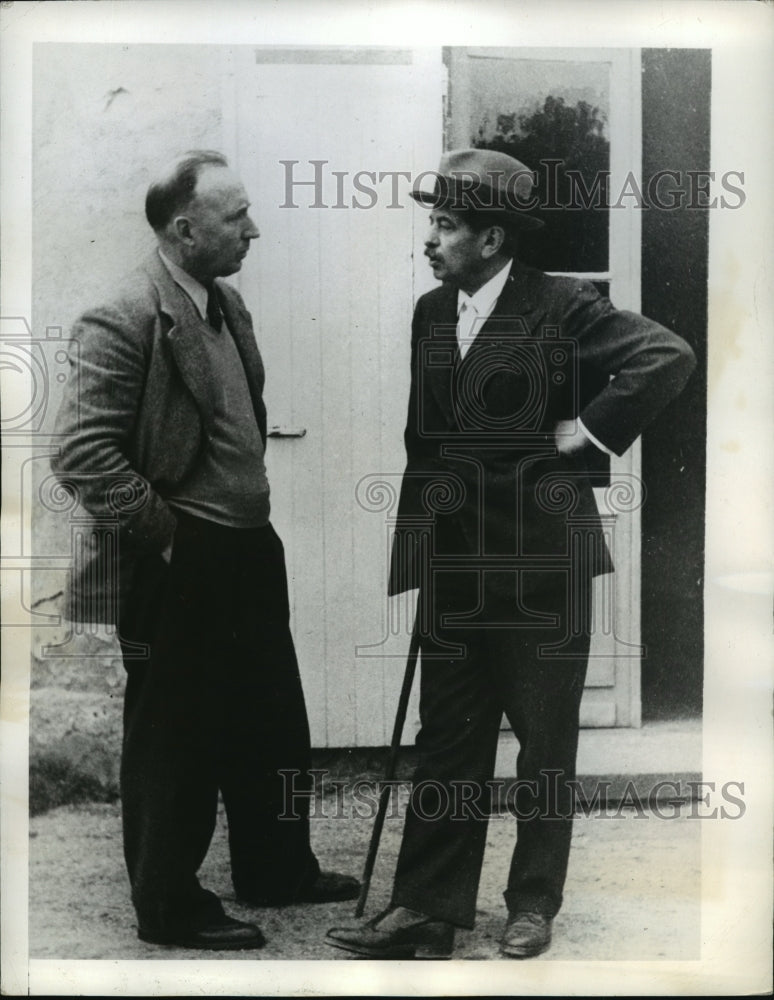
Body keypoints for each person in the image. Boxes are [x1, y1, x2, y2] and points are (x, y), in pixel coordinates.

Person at [327, 148, 696, 959]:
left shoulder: (565, 306)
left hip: (541, 567)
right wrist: (421, 546)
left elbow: (665, 355)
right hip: (456, 564)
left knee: (543, 744)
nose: (431, 239)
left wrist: (591, 430)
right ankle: (427, 908)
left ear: (492, 239)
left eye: (447, 225)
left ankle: (533, 904)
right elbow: (427, 438)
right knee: (448, 739)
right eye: (432, 221)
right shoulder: (432, 311)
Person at [51, 150, 358, 951]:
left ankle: (275, 868)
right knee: (176, 737)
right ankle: (168, 905)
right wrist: (171, 538)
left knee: (270, 722)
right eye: (236, 218)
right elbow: (83, 454)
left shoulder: (228, 305)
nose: (253, 230)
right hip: (179, 561)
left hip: (250, 550)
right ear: (185, 231)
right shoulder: (121, 314)